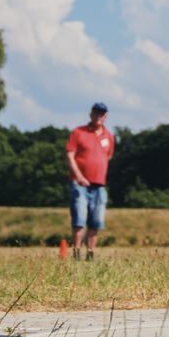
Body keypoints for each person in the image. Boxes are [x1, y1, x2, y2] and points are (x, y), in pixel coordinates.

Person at [65, 102, 115, 260]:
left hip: (99, 185)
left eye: (102, 114)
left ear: (105, 116)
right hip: (79, 184)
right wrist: (79, 176)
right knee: (79, 220)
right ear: (91, 114)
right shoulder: (78, 132)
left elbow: (108, 156)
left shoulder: (109, 136)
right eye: (96, 113)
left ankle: (90, 253)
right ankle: (77, 251)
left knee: (96, 221)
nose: (98, 116)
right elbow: (70, 156)